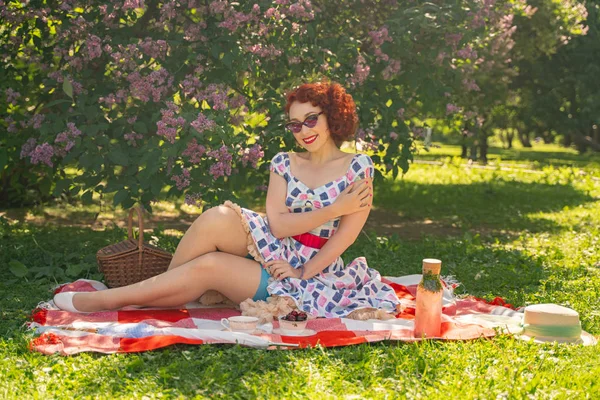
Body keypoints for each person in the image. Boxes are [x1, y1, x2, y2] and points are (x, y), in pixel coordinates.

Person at [54, 80, 402, 317]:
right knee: (216, 216)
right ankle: (155, 293)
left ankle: (106, 301)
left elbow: (344, 236)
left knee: (209, 267)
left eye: (311, 119)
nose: (304, 131)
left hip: (311, 270)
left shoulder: (358, 166)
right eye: (295, 124)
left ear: (331, 115)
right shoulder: (284, 162)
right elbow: (278, 225)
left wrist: (301, 270)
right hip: (276, 242)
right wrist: (334, 207)